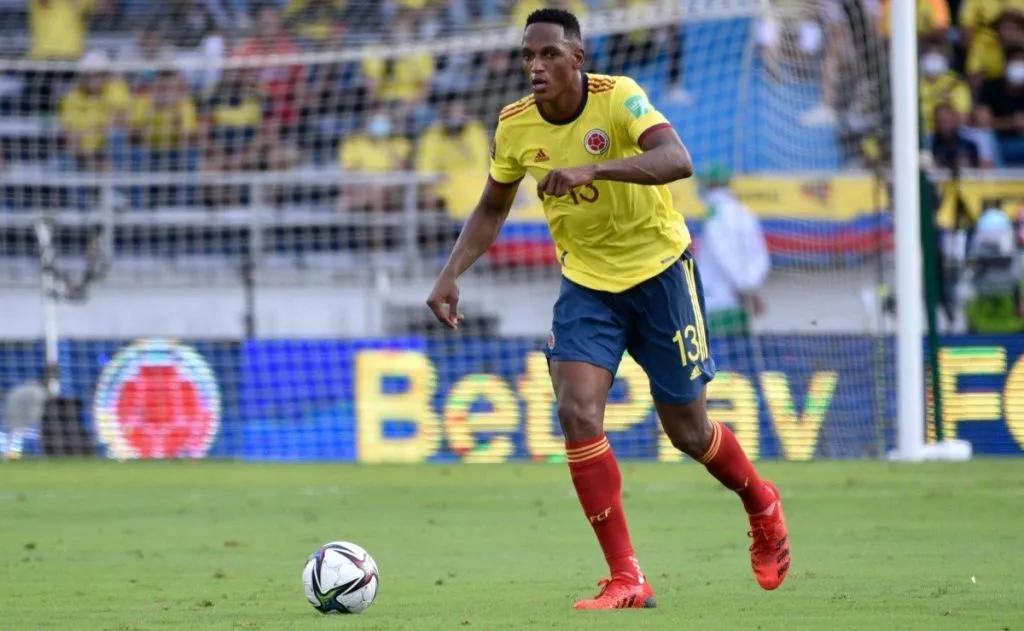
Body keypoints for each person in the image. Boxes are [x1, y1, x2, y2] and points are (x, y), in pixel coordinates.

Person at [426, 8, 790, 611]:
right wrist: (450, 272)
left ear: (579, 57)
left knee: (688, 432)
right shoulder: (515, 126)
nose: (535, 67)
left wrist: (595, 167)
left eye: (547, 55)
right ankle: (627, 576)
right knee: (575, 411)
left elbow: (678, 159)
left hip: (660, 276)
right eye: (527, 56)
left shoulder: (619, 98)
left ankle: (761, 503)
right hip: (587, 284)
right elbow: (491, 208)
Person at [694, 164, 770, 337]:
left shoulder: (714, 215)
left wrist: (744, 287)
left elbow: (723, 255)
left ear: (710, 185)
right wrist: (752, 286)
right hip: (741, 300)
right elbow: (760, 255)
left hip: (717, 299)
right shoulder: (744, 211)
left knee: (715, 358)